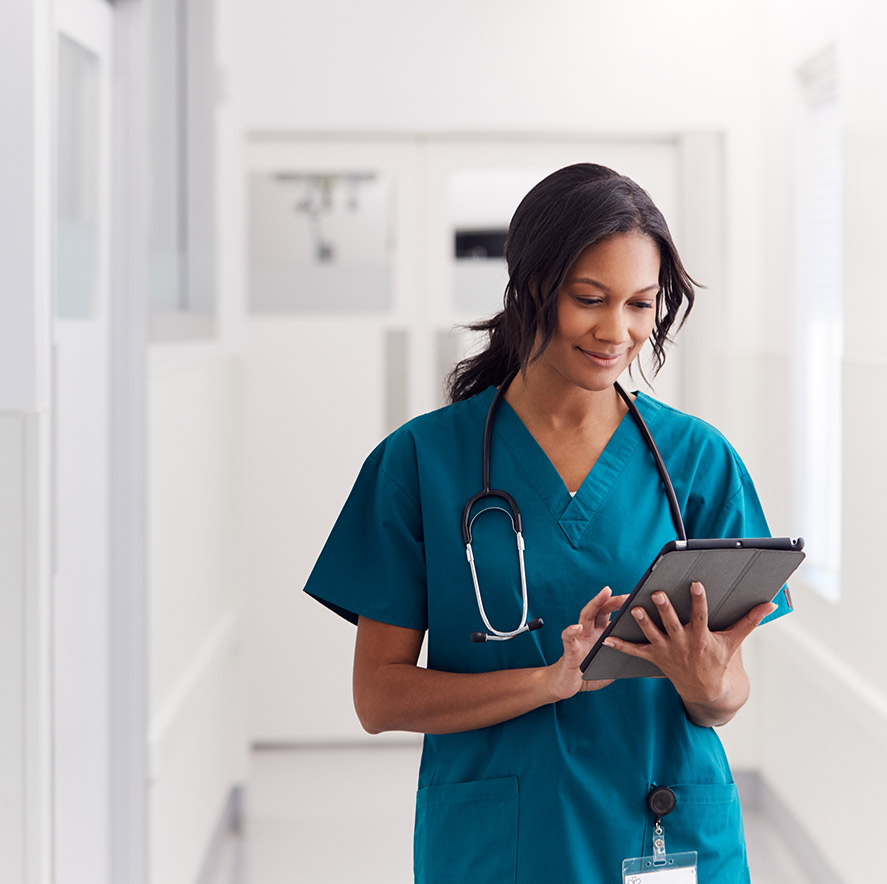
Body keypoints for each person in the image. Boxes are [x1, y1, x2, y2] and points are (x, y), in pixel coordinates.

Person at [303, 163, 791, 883]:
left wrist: (707, 682)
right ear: (532, 287)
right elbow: (379, 698)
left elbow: (724, 698)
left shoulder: (696, 461)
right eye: (589, 298)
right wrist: (549, 680)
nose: (616, 330)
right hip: (503, 842)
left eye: (640, 304)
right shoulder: (421, 463)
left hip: (664, 829)